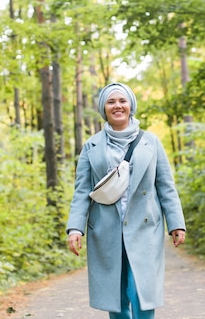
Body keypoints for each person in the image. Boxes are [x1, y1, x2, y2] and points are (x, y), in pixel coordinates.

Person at [66, 82, 186, 319]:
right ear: (104, 108)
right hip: (106, 228)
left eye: (122, 101)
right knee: (115, 293)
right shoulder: (91, 146)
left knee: (141, 290)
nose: (117, 106)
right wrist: (75, 228)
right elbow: (81, 192)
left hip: (145, 227)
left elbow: (165, 186)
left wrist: (176, 223)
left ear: (131, 105)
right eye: (111, 102)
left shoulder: (150, 142)